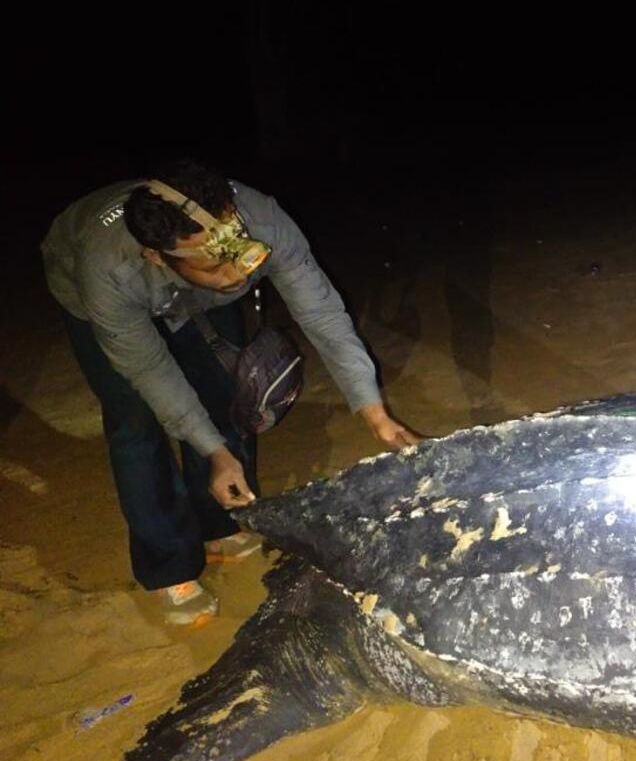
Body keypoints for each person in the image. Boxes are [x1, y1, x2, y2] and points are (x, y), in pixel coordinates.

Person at [41, 158, 419, 625]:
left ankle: (220, 524)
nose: (237, 273)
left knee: (225, 392)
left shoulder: (259, 219)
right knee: (135, 420)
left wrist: (373, 411)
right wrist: (212, 451)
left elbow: (322, 315)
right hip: (91, 289)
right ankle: (168, 565)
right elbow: (151, 369)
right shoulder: (110, 269)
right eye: (216, 262)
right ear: (159, 256)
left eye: (239, 252)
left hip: (195, 292)